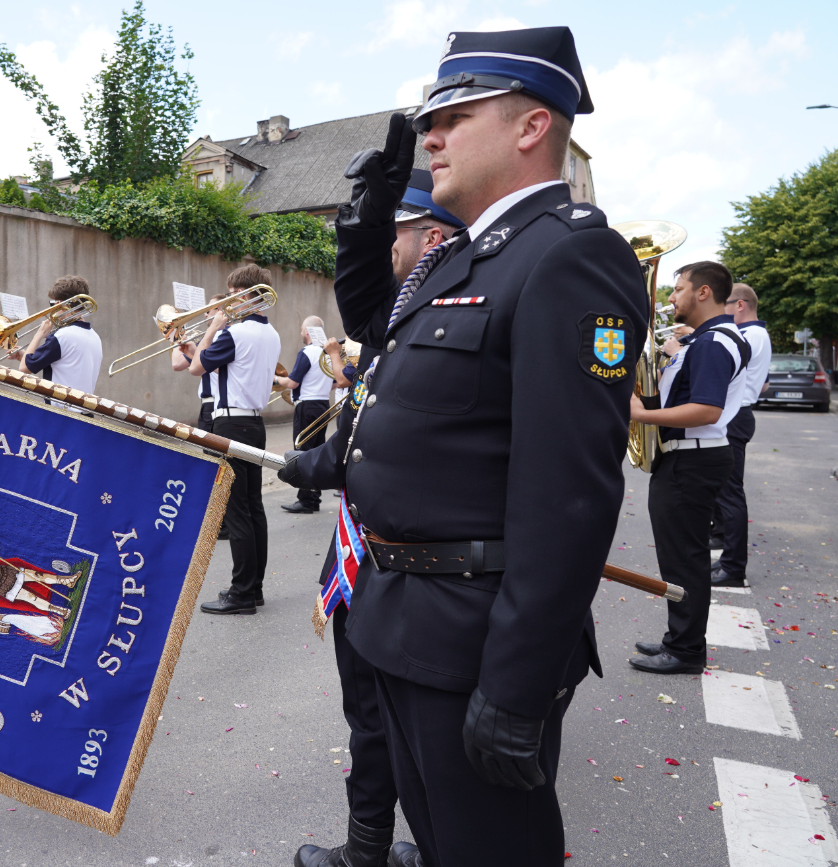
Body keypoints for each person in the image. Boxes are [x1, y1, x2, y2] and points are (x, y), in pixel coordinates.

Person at [285, 28, 645, 867]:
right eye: (429, 119)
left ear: (530, 127)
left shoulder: (568, 255)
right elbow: (376, 330)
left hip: (472, 641)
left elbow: (570, 498)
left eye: (454, 114)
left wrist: (516, 688)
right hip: (403, 622)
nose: (430, 135)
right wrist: (367, 217)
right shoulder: (464, 261)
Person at [285, 170, 463, 867]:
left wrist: (323, 466)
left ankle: (397, 849)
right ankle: (369, 847)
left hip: (406, 564)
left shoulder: (438, 320)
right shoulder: (400, 323)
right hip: (368, 555)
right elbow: (363, 434)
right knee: (371, 718)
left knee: (397, 723)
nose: (385, 246)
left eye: (395, 231)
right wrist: (314, 465)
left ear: (433, 236)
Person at [631, 262, 752, 675]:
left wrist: (639, 414)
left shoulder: (714, 343)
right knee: (682, 556)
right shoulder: (705, 341)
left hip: (693, 457)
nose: (670, 298)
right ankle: (679, 640)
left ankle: (685, 650)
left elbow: (705, 409)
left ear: (703, 293)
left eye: (678, 289)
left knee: (683, 559)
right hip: (691, 455)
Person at [192, 265, 281, 615]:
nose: (227, 301)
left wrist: (213, 327)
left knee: (237, 511)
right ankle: (254, 587)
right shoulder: (270, 332)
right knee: (253, 507)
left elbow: (197, 367)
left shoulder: (235, 332)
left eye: (230, 294)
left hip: (230, 423)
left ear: (244, 295)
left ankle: (242, 593)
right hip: (254, 424)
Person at [709, 284, 772, 587]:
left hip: (734, 416)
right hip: (737, 415)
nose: (721, 311)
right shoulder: (755, 335)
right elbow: (763, 386)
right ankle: (724, 546)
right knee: (724, 489)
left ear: (741, 305)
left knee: (730, 493)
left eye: (725, 304)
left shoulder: (748, 336)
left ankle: (734, 568)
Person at [276, 316, 334, 514]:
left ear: (308, 332)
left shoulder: (307, 352)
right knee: (316, 451)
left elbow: (292, 382)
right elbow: (333, 383)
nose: (301, 333)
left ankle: (306, 501)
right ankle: (314, 498)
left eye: (302, 330)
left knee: (302, 451)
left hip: (307, 407)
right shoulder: (327, 354)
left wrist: (276, 378)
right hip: (323, 405)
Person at [16, 275, 102, 394]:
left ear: (60, 303)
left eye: (54, 304)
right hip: (84, 410)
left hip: (61, 409)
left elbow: (24, 368)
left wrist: (39, 334)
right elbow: (64, 369)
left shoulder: (62, 336)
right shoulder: (95, 337)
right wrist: (24, 356)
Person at [172, 293, 228, 433]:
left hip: (213, 405)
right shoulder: (217, 338)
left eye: (208, 311)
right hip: (217, 406)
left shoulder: (212, 339)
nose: (205, 315)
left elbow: (177, 364)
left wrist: (175, 337)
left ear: (220, 311)